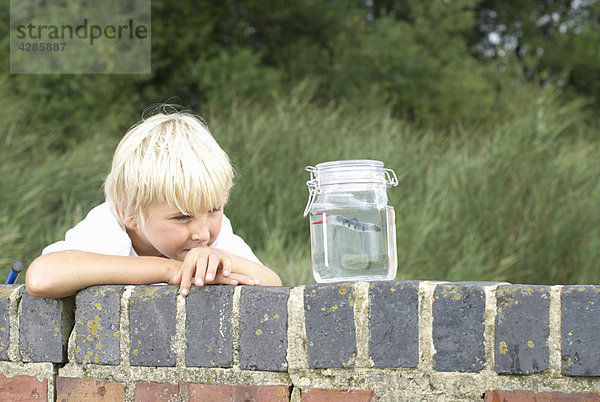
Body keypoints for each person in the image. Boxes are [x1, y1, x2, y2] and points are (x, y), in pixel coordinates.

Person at [26, 106, 282, 298]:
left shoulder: (212, 235)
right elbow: (41, 278)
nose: (203, 232)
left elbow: (273, 285)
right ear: (128, 213)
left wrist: (224, 260)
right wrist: (169, 270)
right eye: (182, 217)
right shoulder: (108, 228)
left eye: (214, 209)